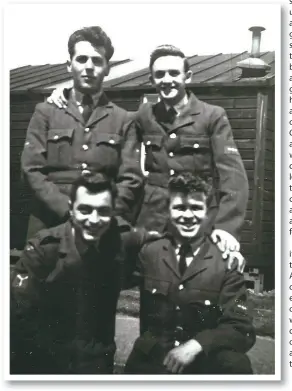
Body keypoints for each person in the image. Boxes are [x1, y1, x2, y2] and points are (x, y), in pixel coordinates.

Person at [47, 44, 249, 255]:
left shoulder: (212, 116)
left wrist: (227, 228)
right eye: (159, 74)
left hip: (197, 215)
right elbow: (109, 119)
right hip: (154, 219)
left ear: (187, 77)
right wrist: (69, 93)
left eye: (173, 73)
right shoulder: (145, 115)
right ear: (152, 80)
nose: (167, 80)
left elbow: (233, 176)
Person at [10, 172, 149, 374]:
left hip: (96, 362)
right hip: (45, 362)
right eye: (85, 210)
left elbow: (160, 242)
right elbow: (19, 318)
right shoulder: (44, 250)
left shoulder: (123, 240)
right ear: (71, 210)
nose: (94, 220)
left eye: (103, 211)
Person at [124, 172, 255, 374]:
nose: (187, 216)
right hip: (154, 361)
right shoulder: (150, 252)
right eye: (179, 208)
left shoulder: (225, 260)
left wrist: (197, 344)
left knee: (236, 365)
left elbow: (241, 328)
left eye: (195, 208)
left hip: (203, 362)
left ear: (207, 213)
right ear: (168, 211)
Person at [21, 26, 143, 240]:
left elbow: (131, 179)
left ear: (107, 68)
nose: (88, 67)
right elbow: (31, 170)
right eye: (81, 59)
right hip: (49, 223)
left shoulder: (124, 119)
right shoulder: (46, 113)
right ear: (69, 65)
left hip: (102, 227)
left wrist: (102, 213)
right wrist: (68, 210)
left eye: (97, 61)